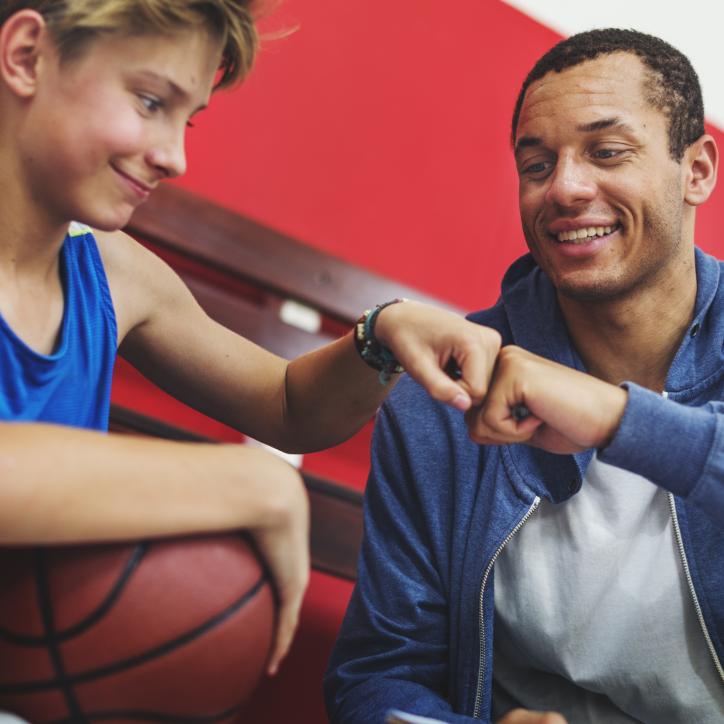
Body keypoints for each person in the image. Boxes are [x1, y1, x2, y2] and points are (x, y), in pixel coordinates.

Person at [0, 0, 500, 684]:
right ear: (26, 55)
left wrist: (383, 331)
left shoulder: (111, 272)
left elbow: (288, 405)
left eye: (189, 119)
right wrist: (248, 482)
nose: (174, 155)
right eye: (150, 101)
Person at [325, 28, 724, 724]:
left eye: (607, 152)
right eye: (537, 164)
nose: (564, 188)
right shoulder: (442, 398)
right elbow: (380, 675)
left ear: (697, 170)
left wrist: (616, 419)